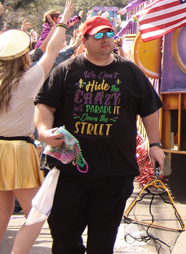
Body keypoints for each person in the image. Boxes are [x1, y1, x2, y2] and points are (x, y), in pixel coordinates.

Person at [34, 16, 165, 254]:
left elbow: (149, 108)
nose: (106, 39)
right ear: (83, 40)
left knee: (102, 241)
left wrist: (155, 144)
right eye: (98, 35)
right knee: (64, 236)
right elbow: (44, 105)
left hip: (115, 171)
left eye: (109, 34)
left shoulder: (130, 71)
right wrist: (43, 131)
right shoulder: (66, 70)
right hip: (68, 171)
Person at [0, 0, 72, 254]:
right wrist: (64, 22)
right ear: (23, 56)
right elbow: (52, 52)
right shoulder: (29, 80)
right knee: (36, 214)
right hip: (17, 150)